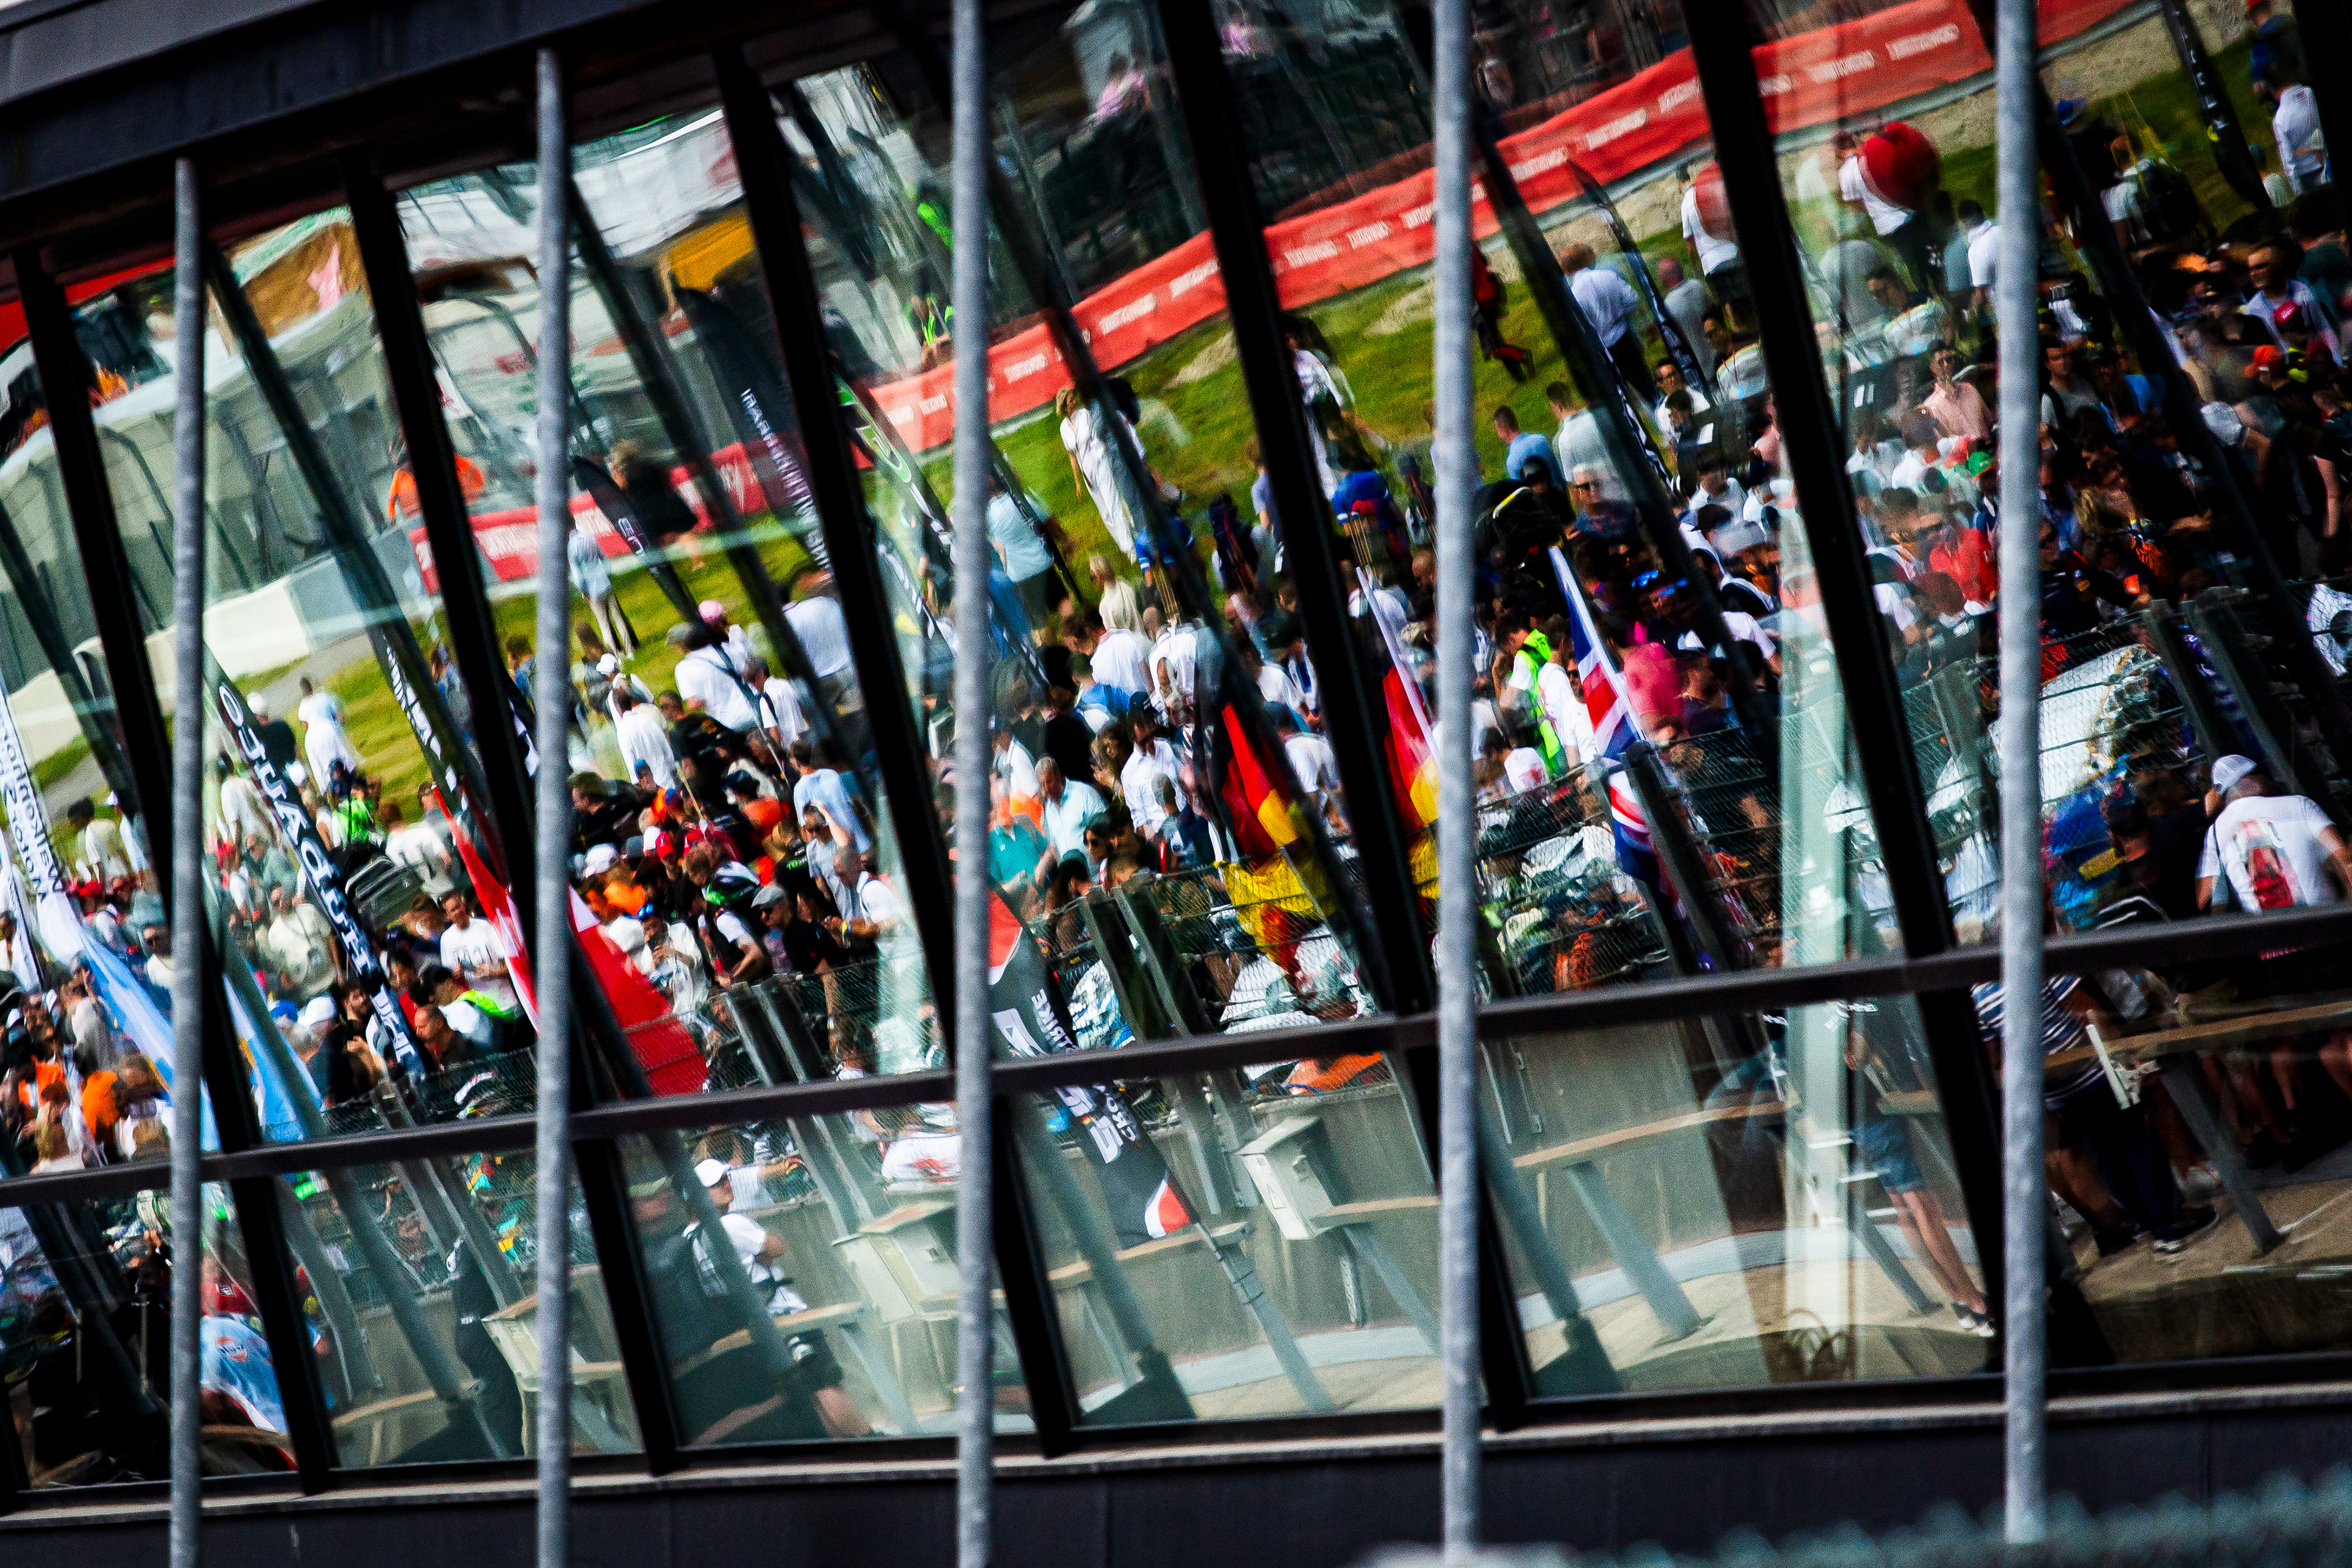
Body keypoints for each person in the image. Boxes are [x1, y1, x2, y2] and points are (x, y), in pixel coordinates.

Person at [689, 1157, 866, 1436]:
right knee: (825, 1383)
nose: (726, 1184)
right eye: (715, 1184)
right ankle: (868, 1440)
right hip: (784, 1316)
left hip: (749, 1329)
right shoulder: (730, 1223)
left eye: (725, 1178)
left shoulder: (690, 1237)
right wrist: (761, 1256)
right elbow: (776, 1248)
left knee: (807, 1393)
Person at [1559, 243, 1653, 398]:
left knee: (1621, 394)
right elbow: (1631, 299)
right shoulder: (1607, 276)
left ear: (1567, 271)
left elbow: (1579, 329)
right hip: (1625, 336)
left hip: (1603, 348)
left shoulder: (1574, 295)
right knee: (1644, 382)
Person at [1055, 386, 1139, 558]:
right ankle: (1123, 542)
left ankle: (1130, 547)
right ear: (1064, 406)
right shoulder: (1064, 428)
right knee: (1106, 514)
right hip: (1087, 474)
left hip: (1101, 464)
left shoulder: (1085, 415)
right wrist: (1078, 483)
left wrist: (1103, 453)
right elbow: (1072, 455)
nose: (1074, 402)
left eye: (1074, 398)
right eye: (1070, 401)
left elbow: (1099, 436)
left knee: (1113, 505)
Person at [569, 520, 635, 657]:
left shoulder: (571, 547)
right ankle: (630, 651)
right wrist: (608, 575)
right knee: (618, 619)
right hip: (605, 582)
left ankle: (617, 655)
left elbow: (577, 574)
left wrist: (583, 590)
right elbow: (604, 558)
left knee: (604, 625)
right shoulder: (589, 537)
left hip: (592, 589)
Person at [296, 676, 362, 790]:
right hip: (328, 729)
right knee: (343, 757)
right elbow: (339, 717)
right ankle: (354, 782)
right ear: (312, 687)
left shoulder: (302, 707)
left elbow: (305, 725)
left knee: (321, 767)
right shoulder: (323, 697)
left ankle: (329, 789)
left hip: (312, 739)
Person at [65, 799, 132, 885]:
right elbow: (121, 851)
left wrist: (102, 888)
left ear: (83, 817)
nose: (74, 825)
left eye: (75, 821)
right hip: (124, 872)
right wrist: (130, 872)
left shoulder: (89, 836)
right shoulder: (108, 824)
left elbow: (99, 866)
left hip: (111, 881)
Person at [246, 692, 301, 776]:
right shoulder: (282, 725)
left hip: (278, 777)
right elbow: (296, 749)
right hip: (295, 771)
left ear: (256, 715)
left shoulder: (258, 736)